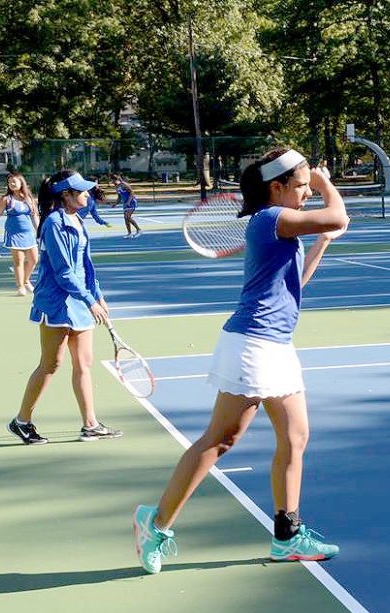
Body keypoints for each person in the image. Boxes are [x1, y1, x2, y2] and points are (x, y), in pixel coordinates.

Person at [132, 147, 348, 573]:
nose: (308, 193)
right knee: (220, 441)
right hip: (252, 344)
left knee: (296, 438)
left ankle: (287, 536)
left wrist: (321, 242)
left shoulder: (283, 227)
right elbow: (338, 215)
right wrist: (327, 187)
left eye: (309, 186)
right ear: (277, 187)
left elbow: (293, 287)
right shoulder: (271, 219)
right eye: (302, 186)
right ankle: (154, 526)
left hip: (276, 345)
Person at [7, 170, 123, 446]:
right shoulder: (54, 223)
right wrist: (90, 300)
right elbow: (64, 273)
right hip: (57, 303)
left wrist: (98, 295)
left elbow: (85, 266)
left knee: (84, 364)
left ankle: (91, 425)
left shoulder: (77, 219)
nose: (87, 194)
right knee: (51, 364)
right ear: (65, 195)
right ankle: (21, 421)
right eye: (81, 191)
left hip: (80, 303)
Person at [0, 172, 40, 295]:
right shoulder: (6, 199)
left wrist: (39, 232)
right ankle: (20, 286)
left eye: (14, 181)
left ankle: (26, 281)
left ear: (21, 183)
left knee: (34, 260)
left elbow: (35, 217)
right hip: (14, 235)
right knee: (19, 261)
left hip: (29, 235)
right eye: (10, 182)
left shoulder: (28, 199)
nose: (12, 184)